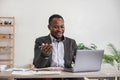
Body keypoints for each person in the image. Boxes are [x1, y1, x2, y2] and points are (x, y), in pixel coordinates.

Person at [33, 14, 84, 80]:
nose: (60, 30)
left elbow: (77, 62)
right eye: (56, 27)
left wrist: (78, 61)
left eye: (62, 27)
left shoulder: (71, 42)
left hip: (66, 75)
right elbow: (37, 65)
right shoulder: (41, 41)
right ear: (49, 27)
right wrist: (44, 56)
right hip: (48, 75)